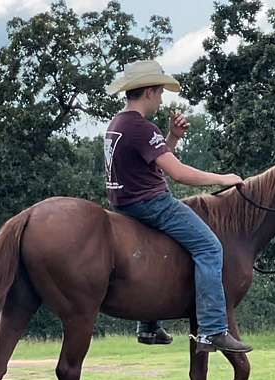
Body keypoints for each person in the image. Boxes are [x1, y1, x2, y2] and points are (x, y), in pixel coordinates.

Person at [104, 60, 252, 354]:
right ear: (148, 92)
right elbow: (179, 173)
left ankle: (148, 325)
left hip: (124, 206)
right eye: (160, 92)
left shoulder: (118, 124)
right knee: (210, 247)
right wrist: (225, 179)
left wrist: (172, 137)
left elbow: (151, 161)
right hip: (152, 204)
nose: (161, 99)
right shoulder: (140, 127)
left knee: (158, 252)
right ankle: (212, 330)